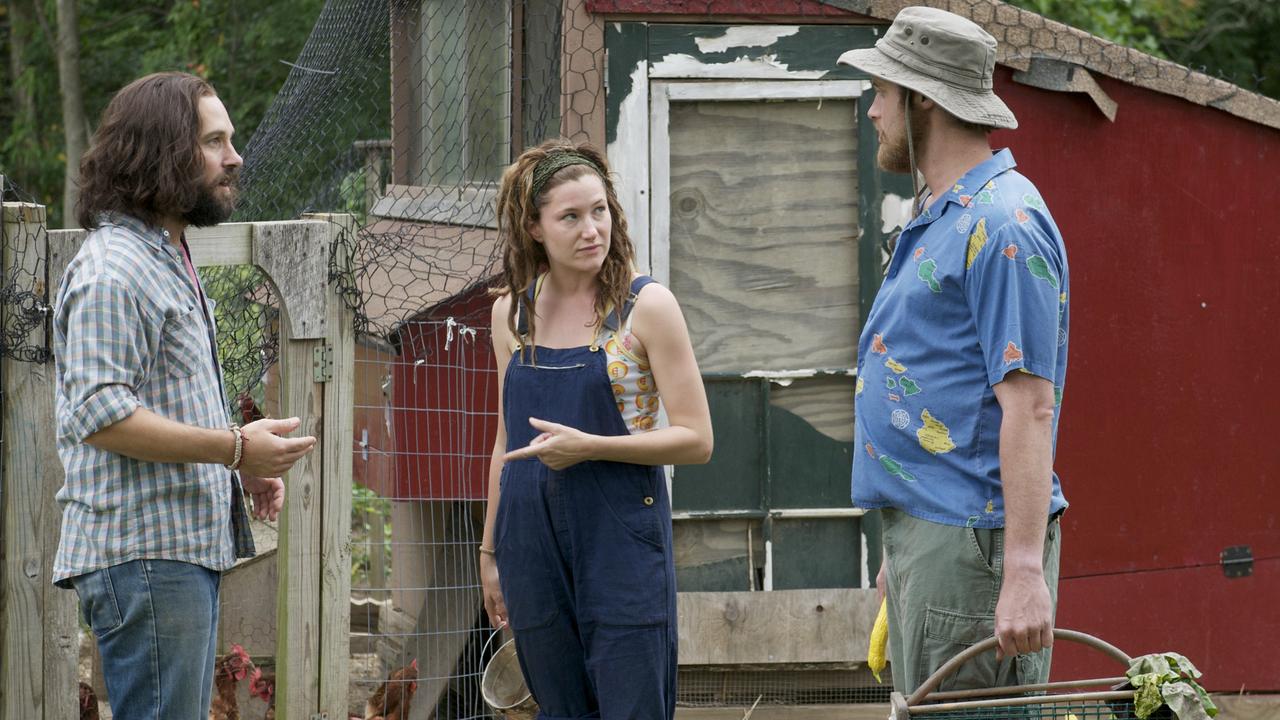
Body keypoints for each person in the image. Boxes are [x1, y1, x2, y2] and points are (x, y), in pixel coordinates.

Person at [52, 72, 317, 719]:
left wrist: (239, 474)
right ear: (163, 152)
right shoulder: (116, 267)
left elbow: (162, 397)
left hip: (168, 555)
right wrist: (234, 449)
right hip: (145, 557)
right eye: (215, 141)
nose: (235, 156)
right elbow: (100, 412)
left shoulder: (166, 254)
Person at [837, 7, 1070, 694]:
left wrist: (1023, 572)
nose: (873, 109)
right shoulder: (943, 210)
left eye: (883, 90)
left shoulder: (1002, 224)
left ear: (922, 101)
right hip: (931, 533)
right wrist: (903, 551)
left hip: (975, 543)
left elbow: (1028, 406)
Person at [478, 140, 713, 718]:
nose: (592, 230)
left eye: (600, 210)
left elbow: (697, 438)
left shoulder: (645, 308)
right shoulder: (512, 313)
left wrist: (592, 448)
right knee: (559, 706)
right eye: (571, 217)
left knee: (631, 703)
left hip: (620, 543)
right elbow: (507, 442)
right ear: (534, 228)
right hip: (530, 542)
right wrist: (490, 552)